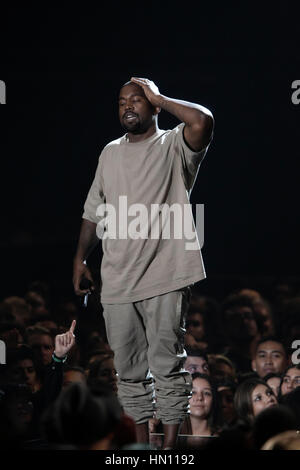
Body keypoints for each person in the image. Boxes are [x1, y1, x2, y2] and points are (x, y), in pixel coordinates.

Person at [73, 77, 214, 449]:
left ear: (153, 106)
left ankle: (168, 449)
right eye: (122, 102)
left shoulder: (172, 145)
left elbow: (203, 121)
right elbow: (93, 211)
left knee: (167, 366)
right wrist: (80, 258)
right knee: (130, 371)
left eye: (137, 100)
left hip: (165, 274)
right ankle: (140, 447)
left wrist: (160, 96)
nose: (128, 107)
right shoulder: (110, 152)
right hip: (117, 277)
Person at [180, 373, 221, 447]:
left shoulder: (225, 440)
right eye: (193, 392)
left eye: (206, 393)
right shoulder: (168, 436)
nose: (199, 398)